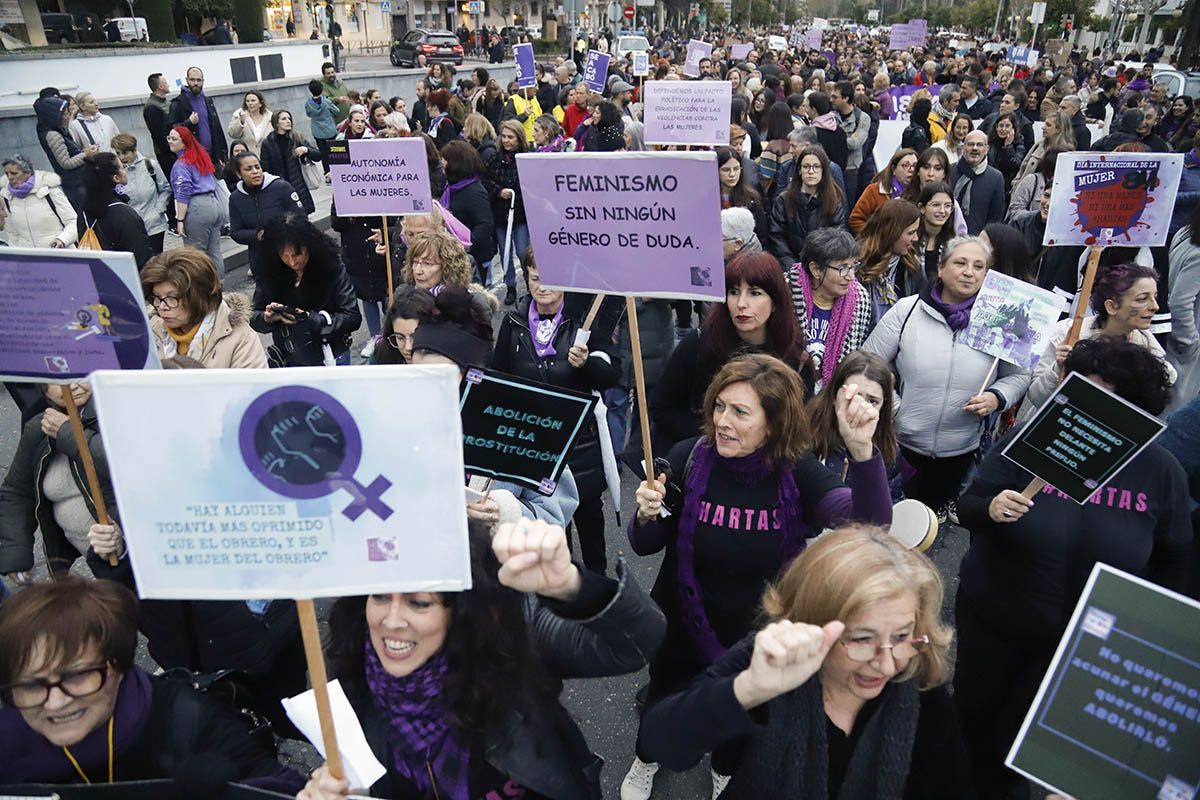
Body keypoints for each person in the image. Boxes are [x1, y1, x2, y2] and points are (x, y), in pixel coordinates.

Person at [621, 354, 892, 800]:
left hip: (757, 632)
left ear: (775, 423)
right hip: (680, 621)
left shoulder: (800, 472)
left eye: (741, 412)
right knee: (665, 698)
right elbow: (644, 544)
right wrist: (647, 515)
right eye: (720, 406)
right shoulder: (687, 457)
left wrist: (862, 451)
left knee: (743, 711)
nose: (723, 421)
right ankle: (647, 759)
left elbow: (870, 527)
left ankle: (726, 773)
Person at [955, 337, 1190, 800]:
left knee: (1049, 754)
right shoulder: (1034, 439)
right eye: (1078, 387)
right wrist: (991, 508)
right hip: (998, 625)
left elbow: (1174, 563)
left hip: (1085, 646)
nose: (1080, 401)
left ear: (1132, 404)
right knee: (975, 731)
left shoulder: (1161, 471)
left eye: (1101, 393)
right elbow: (969, 505)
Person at [297, 517, 664, 800]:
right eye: (378, 596)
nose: (390, 621)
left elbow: (636, 643)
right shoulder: (352, 679)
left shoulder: (511, 635)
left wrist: (572, 586)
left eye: (419, 602)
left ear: (460, 608)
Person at [637, 524, 968, 799]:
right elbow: (663, 743)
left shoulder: (921, 688)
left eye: (901, 636)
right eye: (861, 639)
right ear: (814, 622)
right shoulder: (774, 658)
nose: (885, 665)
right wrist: (748, 689)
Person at [0, 576, 306, 790]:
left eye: (79, 676)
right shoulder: (7, 739)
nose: (56, 702)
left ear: (120, 665)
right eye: (30, 685)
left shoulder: (190, 721)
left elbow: (283, 787)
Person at [864, 236, 1032, 519]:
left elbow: (1018, 376)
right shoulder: (908, 311)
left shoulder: (1003, 320)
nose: (969, 272)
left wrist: (996, 397)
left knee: (927, 522)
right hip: (901, 445)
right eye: (960, 263)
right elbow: (869, 365)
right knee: (887, 519)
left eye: (979, 266)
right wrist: (895, 407)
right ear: (940, 269)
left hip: (960, 450)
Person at [492, 255, 622, 572]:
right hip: (535, 447)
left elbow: (611, 373)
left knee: (589, 520)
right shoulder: (514, 322)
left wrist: (587, 362)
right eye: (534, 278)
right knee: (550, 529)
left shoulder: (583, 323)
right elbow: (499, 377)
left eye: (549, 279)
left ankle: (597, 588)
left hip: (580, 447)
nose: (542, 287)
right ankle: (559, 591)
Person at [650, 252, 811, 456]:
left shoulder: (794, 355)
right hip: (703, 462)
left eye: (755, 293)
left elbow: (797, 424)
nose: (741, 303)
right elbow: (662, 408)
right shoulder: (700, 343)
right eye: (734, 292)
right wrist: (714, 437)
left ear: (776, 301)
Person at [1018, 261, 1175, 422]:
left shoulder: (1148, 348)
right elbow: (1036, 397)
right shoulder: (1066, 334)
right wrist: (1058, 367)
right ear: (1111, 306)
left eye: (1155, 297)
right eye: (1142, 299)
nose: (1155, 307)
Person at [0, 383, 112, 579]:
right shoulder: (39, 426)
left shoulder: (113, 414)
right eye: (58, 381)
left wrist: (68, 432)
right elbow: (17, 493)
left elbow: (119, 464)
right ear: (43, 388)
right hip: (91, 558)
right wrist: (15, 556)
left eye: (80, 375)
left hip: (126, 555)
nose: (73, 385)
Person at [250, 212, 362, 367]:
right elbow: (253, 315)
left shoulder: (332, 269)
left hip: (330, 355)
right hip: (288, 358)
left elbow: (352, 317)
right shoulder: (269, 273)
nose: (292, 262)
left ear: (310, 246)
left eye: (297, 255)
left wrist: (311, 320)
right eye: (284, 255)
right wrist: (267, 318)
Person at [140, 248, 267, 368]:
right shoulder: (150, 331)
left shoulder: (240, 338)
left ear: (200, 297)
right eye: (157, 297)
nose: (162, 306)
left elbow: (252, 389)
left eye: (172, 298)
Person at [788, 228, 873, 392]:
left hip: (831, 396)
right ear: (816, 270)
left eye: (853, 266)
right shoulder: (787, 290)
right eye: (842, 267)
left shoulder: (860, 300)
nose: (851, 276)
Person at [809, 351, 902, 495]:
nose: (860, 408)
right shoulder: (804, 432)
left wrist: (864, 455)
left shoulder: (889, 449)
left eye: (872, 401)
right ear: (834, 395)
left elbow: (888, 505)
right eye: (853, 397)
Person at [227, 150, 305, 279]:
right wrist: (257, 235)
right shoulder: (235, 198)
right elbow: (236, 232)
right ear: (238, 174)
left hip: (289, 257)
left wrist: (282, 231)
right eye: (248, 169)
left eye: (257, 167)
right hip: (260, 261)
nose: (255, 172)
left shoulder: (281, 187)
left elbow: (301, 218)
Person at [77, 152, 152, 269]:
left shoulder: (83, 212)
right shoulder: (125, 215)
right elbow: (141, 260)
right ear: (116, 178)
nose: (125, 169)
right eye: (122, 167)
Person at [167, 126, 225, 275]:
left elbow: (182, 193)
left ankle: (203, 289)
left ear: (184, 143)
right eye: (169, 138)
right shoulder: (200, 158)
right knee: (214, 251)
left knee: (195, 255)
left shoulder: (181, 165)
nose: (170, 142)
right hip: (214, 204)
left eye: (174, 139)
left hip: (197, 207)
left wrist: (179, 220)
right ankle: (219, 285)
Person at [857, 198, 923, 325]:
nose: (916, 238)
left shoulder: (912, 266)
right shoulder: (857, 265)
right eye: (911, 233)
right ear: (892, 232)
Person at [440, 140, 496, 284]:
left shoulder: (473, 191)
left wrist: (465, 245)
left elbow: (485, 225)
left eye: (445, 160)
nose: (441, 163)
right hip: (454, 256)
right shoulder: (451, 187)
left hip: (472, 258)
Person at [485, 120, 528, 306]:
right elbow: (486, 180)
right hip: (500, 215)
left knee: (522, 250)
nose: (506, 141)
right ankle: (510, 286)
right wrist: (498, 191)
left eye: (511, 137)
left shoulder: (526, 158)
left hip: (520, 215)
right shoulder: (494, 159)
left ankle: (529, 283)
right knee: (505, 252)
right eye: (504, 137)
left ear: (519, 139)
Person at [0, 153, 78, 249]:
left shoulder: (50, 192)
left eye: (14, 173)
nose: (10, 177)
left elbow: (73, 222)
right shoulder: (6, 197)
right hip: (30, 259)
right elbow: (12, 234)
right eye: (7, 173)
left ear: (28, 173)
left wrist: (62, 240)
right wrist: (16, 256)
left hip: (59, 254)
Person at [111, 133, 171, 256]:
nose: (122, 157)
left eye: (125, 152)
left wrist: (158, 210)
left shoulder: (149, 165)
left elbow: (165, 189)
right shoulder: (117, 172)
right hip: (132, 227)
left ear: (134, 150)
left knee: (155, 261)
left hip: (154, 224)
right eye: (118, 153)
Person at [1167, 203, 1200, 412]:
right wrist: (1189, 341)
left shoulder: (1184, 233)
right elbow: (1181, 302)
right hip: (1184, 346)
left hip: (1171, 338)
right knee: (1176, 407)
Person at [34, 93, 91, 211]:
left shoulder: (56, 130)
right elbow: (65, 163)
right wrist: (86, 154)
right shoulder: (53, 135)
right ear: (55, 116)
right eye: (65, 114)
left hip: (79, 183)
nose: (67, 117)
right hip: (75, 185)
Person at [259, 109, 322, 215]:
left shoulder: (296, 138)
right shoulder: (268, 143)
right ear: (276, 123)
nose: (288, 121)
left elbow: (318, 155)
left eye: (289, 119)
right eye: (284, 119)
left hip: (298, 186)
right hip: (279, 187)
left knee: (302, 218)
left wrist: (306, 150)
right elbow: (265, 168)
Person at [848, 148, 917, 234]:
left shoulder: (919, 193)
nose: (911, 170)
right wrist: (876, 237)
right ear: (893, 169)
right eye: (905, 165)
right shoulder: (874, 190)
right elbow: (855, 219)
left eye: (915, 166)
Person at [168, 67, 227, 166]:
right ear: (187, 80)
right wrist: (189, 123)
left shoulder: (208, 101)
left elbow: (217, 128)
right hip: (192, 159)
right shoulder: (178, 103)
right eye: (192, 80)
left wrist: (223, 153)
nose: (196, 83)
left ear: (203, 81)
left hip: (214, 157)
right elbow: (173, 131)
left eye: (199, 80)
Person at [952, 131, 1007, 235]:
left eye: (980, 145)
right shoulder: (949, 171)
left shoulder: (996, 178)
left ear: (987, 149)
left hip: (977, 241)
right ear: (963, 148)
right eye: (970, 144)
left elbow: (995, 217)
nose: (975, 148)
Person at [718, 146, 768, 248]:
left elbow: (762, 233)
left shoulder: (751, 197)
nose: (732, 174)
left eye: (736, 169)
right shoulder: (706, 199)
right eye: (726, 170)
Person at [372, 285, 436, 364]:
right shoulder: (381, 356)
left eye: (415, 337)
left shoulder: (449, 362)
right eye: (399, 338)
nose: (408, 347)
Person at [142, 73, 176, 179]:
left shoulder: (166, 102)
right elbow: (159, 136)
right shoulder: (152, 108)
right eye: (165, 83)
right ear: (160, 87)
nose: (168, 85)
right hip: (168, 155)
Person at [304, 79, 339, 175]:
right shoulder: (327, 102)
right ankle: (336, 172)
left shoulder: (308, 104)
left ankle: (327, 172)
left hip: (317, 131)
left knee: (323, 153)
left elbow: (308, 114)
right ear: (322, 89)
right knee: (334, 152)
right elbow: (337, 111)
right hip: (330, 130)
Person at [986, 112, 1026, 193]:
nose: (1003, 129)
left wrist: (1008, 147)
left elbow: (1014, 165)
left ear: (1013, 128)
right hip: (988, 182)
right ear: (996, 127)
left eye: (1007, 126)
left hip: (1005, 186)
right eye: (1001, 125)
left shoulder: (1019, 145)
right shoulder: (989, 142)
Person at [226, 90, 272, 156]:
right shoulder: (239, 115)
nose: (250, 103)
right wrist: (241, 122)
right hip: (247, 158)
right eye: (247, 101)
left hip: (267, 157)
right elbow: (232, 134)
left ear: (260, 103)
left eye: (253, 100)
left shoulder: (269, 117)